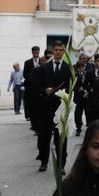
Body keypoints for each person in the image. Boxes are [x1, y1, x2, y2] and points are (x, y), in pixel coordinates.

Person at [34, 41, 71, 174]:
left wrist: (64, 93)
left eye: (61, 50)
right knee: (44, 136)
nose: (58, 52)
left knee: (61, 138)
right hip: (46, 108)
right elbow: (37, 85)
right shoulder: (44, 68)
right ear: (52, 51)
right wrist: (45, 90)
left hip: (60, 108)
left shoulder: (68, 68)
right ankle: (44, 162)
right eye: (56, 50)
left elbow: (72, 87)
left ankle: (61, 165)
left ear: (63, 52)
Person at [23, 45, 41, 128]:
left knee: (39, 107)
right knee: (31, 106)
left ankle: (38, 123)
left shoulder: (42, 61)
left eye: (37, 53)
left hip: (40, 88)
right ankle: (33, 124)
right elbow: (24, 75)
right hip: (30, 88)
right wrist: (32, 77)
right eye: (35, 53)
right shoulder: (27, 62)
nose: (36, 54)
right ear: (32, 53)